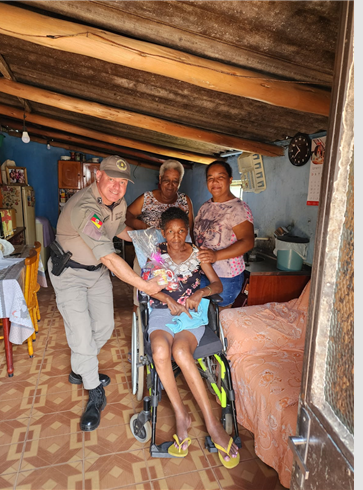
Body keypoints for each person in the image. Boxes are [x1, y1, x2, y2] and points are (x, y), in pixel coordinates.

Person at [49, 155, 163, 432]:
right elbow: (109, 256)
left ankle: (81, 366)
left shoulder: (119, 202)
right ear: (98, 176)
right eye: (111, 179)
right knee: (82, 332)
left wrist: (145, 237)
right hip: (70, 274)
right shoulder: (84, 208)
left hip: (95, 272)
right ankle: (93, 392)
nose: (117, 186)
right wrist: (144, 285)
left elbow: (116, 228)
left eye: (123, 182)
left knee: (104, 325)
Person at [145, 207, 240, 467]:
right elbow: (147, 288)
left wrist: (202, 292)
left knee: (180, 352)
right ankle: (181, 415)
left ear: (188, 231)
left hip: (191, 316)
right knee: (160, 352)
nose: (176, 237)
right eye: (170, 232)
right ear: (163, 233)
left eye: (181, 231)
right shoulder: (156, 256)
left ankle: (212, 425)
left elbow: (217, 285)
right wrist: (165, 298)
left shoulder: (199, 254)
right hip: (163, 314)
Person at [125, 159, 194, 307]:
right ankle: (141, 321)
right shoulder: (147, 198)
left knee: (173, 292)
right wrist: (143, 226)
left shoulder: (184, 201)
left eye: (175, 181)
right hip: (148, 255)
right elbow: (127, 215)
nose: (170, 185)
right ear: (160, 180)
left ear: (180, 182)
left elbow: (190, 230)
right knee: (143, 294)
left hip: (176, 258)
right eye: (166, 180)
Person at [193, 160, 255, 308]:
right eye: (210, 178)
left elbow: (248, 242)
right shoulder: (206, 206)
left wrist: (216, 256)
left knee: (220, 316)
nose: (215, 182)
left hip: (226, 276)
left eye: (220, 177)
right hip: (203, 272)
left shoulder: (238, 209)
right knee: (204, 315)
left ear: (230, 180)